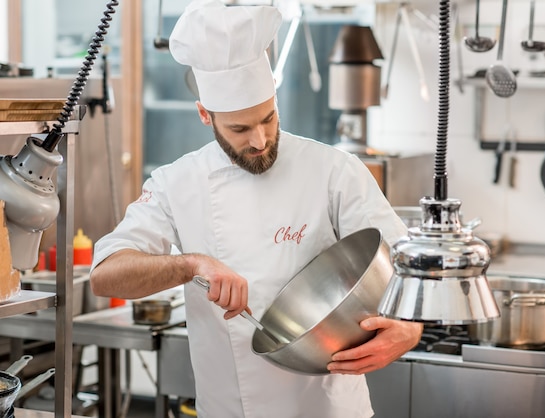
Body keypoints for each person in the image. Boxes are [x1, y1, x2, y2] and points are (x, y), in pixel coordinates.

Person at [90, 1, 423, 417]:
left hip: (330, 407)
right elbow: (104, 275)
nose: (261, 140)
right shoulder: (176, 183)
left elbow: (408, 267)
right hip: (230, 408)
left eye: (268, 118)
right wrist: (191, 264)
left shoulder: (334, 170)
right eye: (240, 128)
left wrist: (410, 329)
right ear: (204, 115)